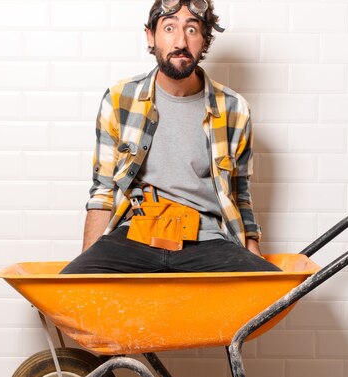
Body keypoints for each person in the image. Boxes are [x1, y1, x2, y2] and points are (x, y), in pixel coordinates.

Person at [61, 0, 280, 274]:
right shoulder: (119, 100)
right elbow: (103, 191)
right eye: (169, 28)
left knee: (263, 288)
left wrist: (258, 267)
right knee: (76, 284)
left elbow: (240, 194)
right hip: (135, 236)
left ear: (204, 40)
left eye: (192, 30)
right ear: (150, 36)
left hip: (208, 240)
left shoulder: (235, 109)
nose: (180, 41)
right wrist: (82, 272)